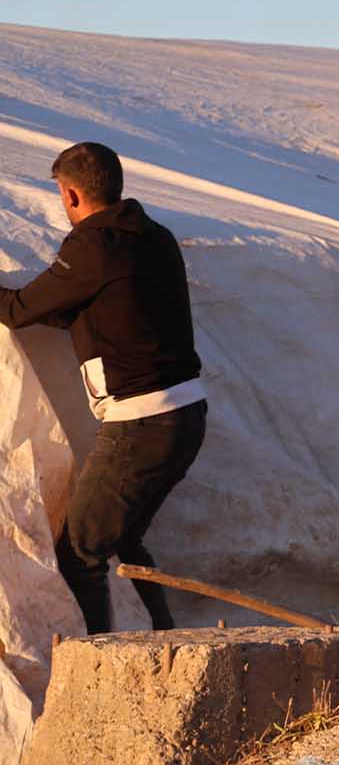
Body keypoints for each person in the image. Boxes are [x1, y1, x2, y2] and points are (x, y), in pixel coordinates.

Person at [0, 142, 208, 633]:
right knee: (126, 541)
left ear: (71, 195)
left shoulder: (93, 246)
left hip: (141, 426)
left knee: (82, 551)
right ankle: (167, 649)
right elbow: (92, 313)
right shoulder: (154, 237)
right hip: (186, 416)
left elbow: (16, 310)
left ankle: (101, 673)